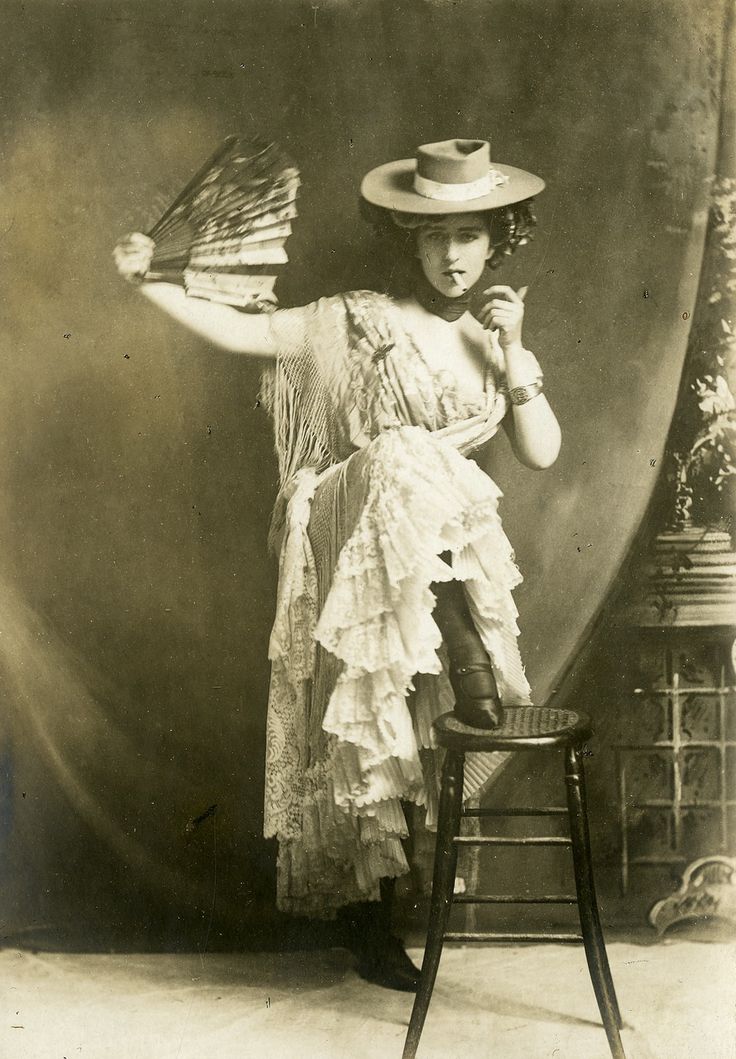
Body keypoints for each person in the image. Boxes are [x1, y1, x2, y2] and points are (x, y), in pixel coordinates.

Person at [114, 138, 561, 991]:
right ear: (409, 239)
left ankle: (377, 917)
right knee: (397, 452)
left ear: (496, 239)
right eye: (435, 237)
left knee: (385, 730)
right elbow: (248, 333)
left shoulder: (493, 341)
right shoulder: (361, 320)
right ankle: (473, 667)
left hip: (432, 565)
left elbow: (539, 452)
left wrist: (513, 358)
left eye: (469, 235)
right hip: (356, 532)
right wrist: (151, 281)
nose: (453, 254)